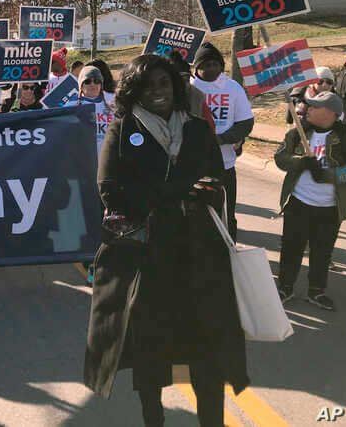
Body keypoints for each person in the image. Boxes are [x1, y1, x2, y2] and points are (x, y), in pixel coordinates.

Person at [84, 54, 249, 427]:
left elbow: (216, 178)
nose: (158, 91)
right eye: (148, 85)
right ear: (134, 90)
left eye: (164, 83)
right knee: (150, 353)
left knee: (208, 348)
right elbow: (110, 191)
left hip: (198, 255)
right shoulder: (123, 129)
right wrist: (178, 192)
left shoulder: (196, 129)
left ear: (176, 87)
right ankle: (153, 419)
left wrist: (205, 190)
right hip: (147, 257)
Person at [275, 92, 346, 311]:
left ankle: (316, 291)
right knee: (291, 248)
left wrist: (328, 175)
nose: (307, 109)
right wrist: (300, 162)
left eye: (314, 107)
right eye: (308, 105)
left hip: (330, 208)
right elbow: (280, 158)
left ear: (331, 113)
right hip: (298, 203)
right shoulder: (297, 133)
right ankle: (285, 287)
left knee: (322, 252)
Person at [192, 42, 254, 241]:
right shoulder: (189, 89)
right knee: (197, 215)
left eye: (214, 64)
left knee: (226, 213)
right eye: (205, 65)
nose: (210, 69)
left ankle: (228, 256)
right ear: (196, 68)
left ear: (221, 65)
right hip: (195, 166)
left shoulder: (232, 87)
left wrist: (222, 139)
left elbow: (245, 122)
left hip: (225, 164)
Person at [168, 51, 215, 131]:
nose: (184, 84)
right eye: (180, 80)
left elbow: (210, 127)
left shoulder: (198, 95)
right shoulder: (161, 95)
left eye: (186, 79)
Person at [75, 65, 116, 153]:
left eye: (96, 81)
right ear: (81, 86)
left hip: (106, 160)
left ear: (101, 85)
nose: (92, 84)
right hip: (82, 160)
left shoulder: (113, 104)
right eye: (88, 81)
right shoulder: (70, 107)